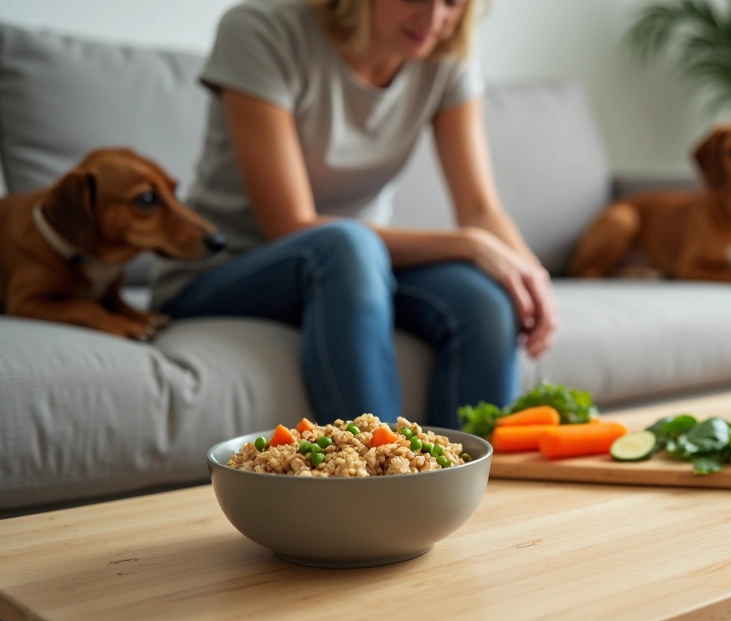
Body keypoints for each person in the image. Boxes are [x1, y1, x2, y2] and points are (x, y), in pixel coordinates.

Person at [151, 0, 558, 429]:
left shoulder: (443, 53)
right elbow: (290, 224)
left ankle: (465, 488)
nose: (434, 19)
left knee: (485, 301)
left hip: (358, 273)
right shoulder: (260, 30)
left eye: (453, 2)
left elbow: (479, 208)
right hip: (224, 270)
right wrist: (471, 245)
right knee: (350, 245)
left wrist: (532, 276)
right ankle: (376, 484)